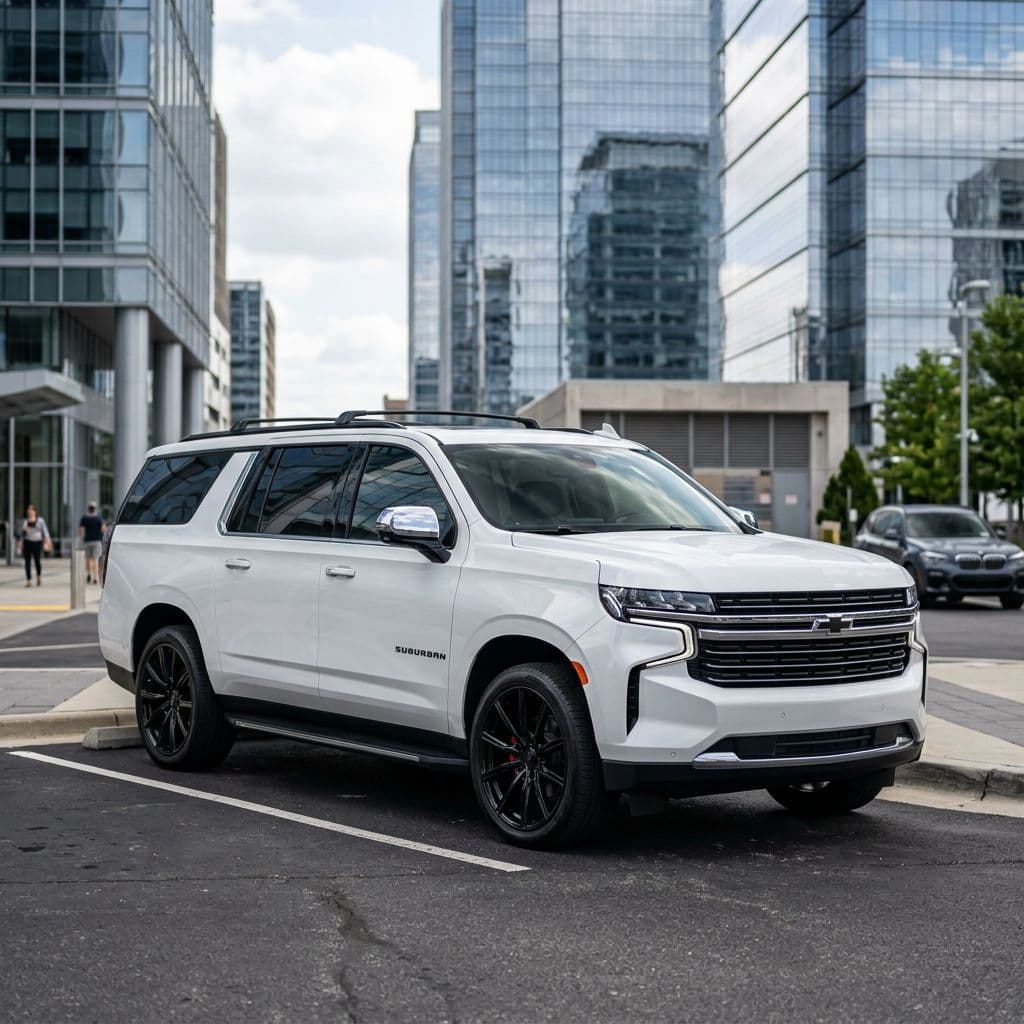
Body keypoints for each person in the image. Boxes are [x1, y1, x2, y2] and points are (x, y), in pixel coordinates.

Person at [17, 504, 51, 588]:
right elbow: (22, 534)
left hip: (37, 543)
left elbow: (45, 531)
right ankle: (28, 581)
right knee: (27, 562)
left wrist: (48, 541)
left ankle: (39, 576)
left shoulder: (40, 520)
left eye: (31, 510)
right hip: (27, 542)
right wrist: (20, 543)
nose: (30, 511)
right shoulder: (24, 521)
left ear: (35, 511)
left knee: (37, 561)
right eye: (28, 509)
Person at [78, 502, 106, 584]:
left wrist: (83, 538)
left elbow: (81, 530)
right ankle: (96, 577)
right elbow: (103, 530)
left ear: (88, 509)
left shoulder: (84, 518)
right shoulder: (99, 519)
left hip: (87, 541)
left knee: (88, 559)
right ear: (95, 509)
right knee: (96, 559)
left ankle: (89, 574)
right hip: (97, 541)